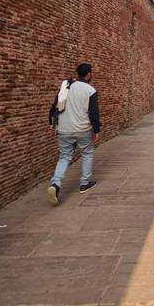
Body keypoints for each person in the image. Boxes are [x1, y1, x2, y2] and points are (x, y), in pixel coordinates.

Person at [47, 63, 100, 205]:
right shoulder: (90, 90)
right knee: (87, 153)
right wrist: (96, 130)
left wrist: (51, 122)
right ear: (88, 74)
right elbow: (94, 113)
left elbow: (55, 105)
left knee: (64, 157)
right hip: (82, 129)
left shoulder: (66, 86)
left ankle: (55, 184)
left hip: (63, 129)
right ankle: (84, 183)